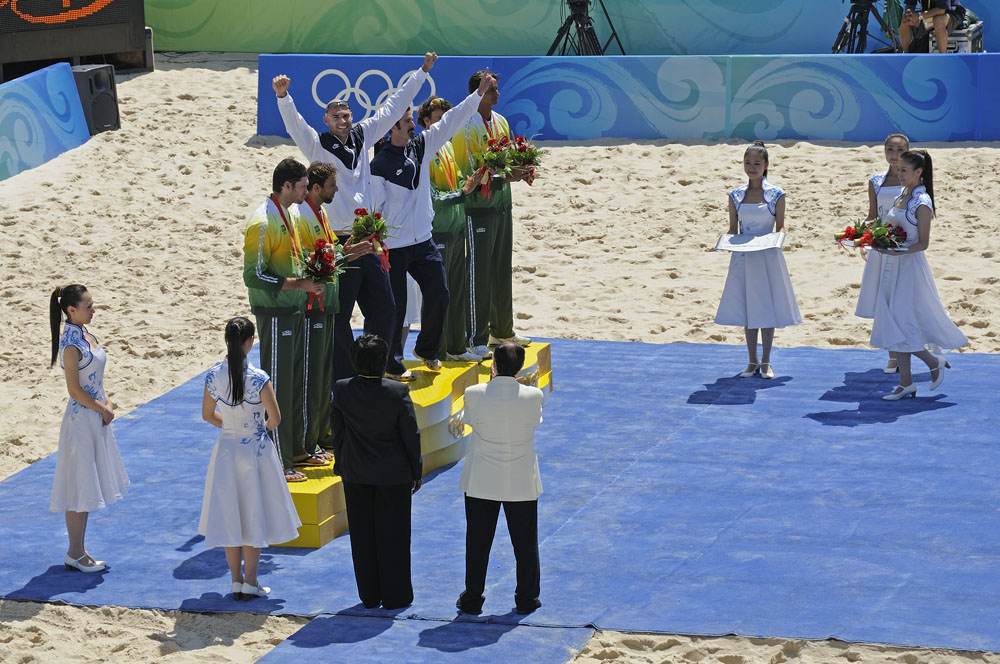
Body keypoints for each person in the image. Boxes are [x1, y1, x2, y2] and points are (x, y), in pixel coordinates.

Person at [273, 52, 438, 382]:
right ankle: (347, 377)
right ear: (326, 121)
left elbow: (394, 105)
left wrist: (421, 73)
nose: (343, 120)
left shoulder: (364, 135)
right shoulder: (317, 145)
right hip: (337, 241)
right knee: (341, 313)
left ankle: (381, 365)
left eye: (346, 114)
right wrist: (283, 96)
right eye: (336, 116)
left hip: (368, 238)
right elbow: (295, 126)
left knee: (387, 308)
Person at [371, 71, 495, 373]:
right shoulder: (379, 165)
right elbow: (376, 210)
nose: (413, 124)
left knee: (440, 293)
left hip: (423, 241)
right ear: (392, 128)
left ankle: (426, 349)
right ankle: (392, 363)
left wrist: (477, 94)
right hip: (396, 246)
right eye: (408, 121)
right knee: (396, 308)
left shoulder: (422, 147)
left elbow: (451, 119)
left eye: (413, 119)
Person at [198, 317, 301, 600]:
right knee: (252, 513)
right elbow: (276, 419)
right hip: (254, 451)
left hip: (226, 450)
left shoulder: (213, 375)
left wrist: (231, 428)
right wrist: (256, 430)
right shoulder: (259, 377)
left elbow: (208, 415)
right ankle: (251, 581)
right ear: (250, 342)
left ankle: (235, 580)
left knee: (231, 514)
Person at [242, 157, 324, 482]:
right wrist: (297, 284)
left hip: (292, 309)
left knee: (294, 385)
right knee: (276, 389)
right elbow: (253, 275)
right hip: (274, 314)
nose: (307, 192)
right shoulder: (262, 222)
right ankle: (278, 461)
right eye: (303, 186)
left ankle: (294, 451)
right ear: (286, 185)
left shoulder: (288, 214)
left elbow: (292, 259)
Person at [331, 334, 422, 609]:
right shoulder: (397, 392)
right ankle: (396, 596)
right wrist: (416, 471)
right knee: (394, 535)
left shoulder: (343, 389)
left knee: (362, 536)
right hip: (393, 475)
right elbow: (411, 434)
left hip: (356, 473)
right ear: (384, 361)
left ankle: (369, 595)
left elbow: (338, 432)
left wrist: (342, 464)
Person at [870, 149, 967, 400]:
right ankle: (906, 383)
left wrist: (897, 251)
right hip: (891, 265)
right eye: (898, 169)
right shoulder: (903, 194)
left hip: (909, 267)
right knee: (893, 320)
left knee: (902, 321)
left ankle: (932, 362)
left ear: (919, 172)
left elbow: (923, 243)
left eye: (904, 170)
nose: (899, 174)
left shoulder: (921, 202)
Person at [457, 342, 544, 616]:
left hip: (482, 479)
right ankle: (527, 598)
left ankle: (473, 598)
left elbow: (469, 420)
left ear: (493, 365)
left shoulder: (474, 393)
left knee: (478, 542)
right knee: (525, 543)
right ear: (519, 367)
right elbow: (534, 422)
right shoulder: (534, 395)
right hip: (520, 479)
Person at [49, 285, 129, 573]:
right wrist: (102, 408)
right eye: (88, 306)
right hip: (82, 421)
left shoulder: (86, 335)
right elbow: (74, 390)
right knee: (80, 486)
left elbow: (95, 379)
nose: (93, 310)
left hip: (95, 416)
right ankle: (75, 552)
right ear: (72, 310)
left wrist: (107, 402)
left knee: (87, 483)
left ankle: (78, 550)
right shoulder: (71, 344)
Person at [451, 70, 531, 357]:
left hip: (501, 204)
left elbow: (506, 161)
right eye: (493, 90)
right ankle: (475, 336)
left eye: (496, 89)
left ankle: (502, 330)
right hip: (477, 209)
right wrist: (502, 176)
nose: (498, 94)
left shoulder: (501, 121)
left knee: (500, 267)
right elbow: (466, 173)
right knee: (479, 272)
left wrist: (520, 169)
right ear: (479, 92)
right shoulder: (465, 126)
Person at [297, 162, 372, 458]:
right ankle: (310, 438)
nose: (336, 189)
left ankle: (321, 431)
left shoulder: (320, 213)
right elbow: (306, 260)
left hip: (328, 303)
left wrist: (349, 251)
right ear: (316, 188)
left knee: (324, 372)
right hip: (313, 305)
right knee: (314, 374)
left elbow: (328, 254)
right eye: (331, 185)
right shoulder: (302, 215)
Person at [714, 141, 802, 379]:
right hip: (743, 256)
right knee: (748, 307)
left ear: (766, 165)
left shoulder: (776, 194)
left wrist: (777, 239)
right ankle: (751, 360)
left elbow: (781, 226)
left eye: (756, 163)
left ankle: (766, 361)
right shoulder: (736, 195)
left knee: (766, 306)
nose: (752, 167)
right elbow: (733, 228)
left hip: (767, 255)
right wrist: (723, 242)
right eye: (747, 163)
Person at [417, 95, 487, 362]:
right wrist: (463, 192)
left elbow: (458, 181)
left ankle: (457, 347)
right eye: (439, 119)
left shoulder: (445, 147)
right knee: (440, 294)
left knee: (458, 289)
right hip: (440, 230)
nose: (444, 124)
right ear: (426, 121)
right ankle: (439, 349)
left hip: (457, 225)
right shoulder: (423, 150)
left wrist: (473, 181)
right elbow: (433, 196)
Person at [855, 133, 910, 374]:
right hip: (880, 246)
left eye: (899, 150)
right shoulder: (875, 181)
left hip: (904, 246)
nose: (894, 155)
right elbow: (872, 214)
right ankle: (892, 355)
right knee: (883, 299)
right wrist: (861, 235)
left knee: (903, 299)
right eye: (890, 149)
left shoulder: (913, 180)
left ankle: (905, 351)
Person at [900, 0, 966, 53]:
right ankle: (906, 55)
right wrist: (909, 14)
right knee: (905, 20)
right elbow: (910, 5)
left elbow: (941, 10)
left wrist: (919, 16)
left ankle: (943, 57)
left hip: (951, 13)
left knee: (938, 21)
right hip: (928, 15)